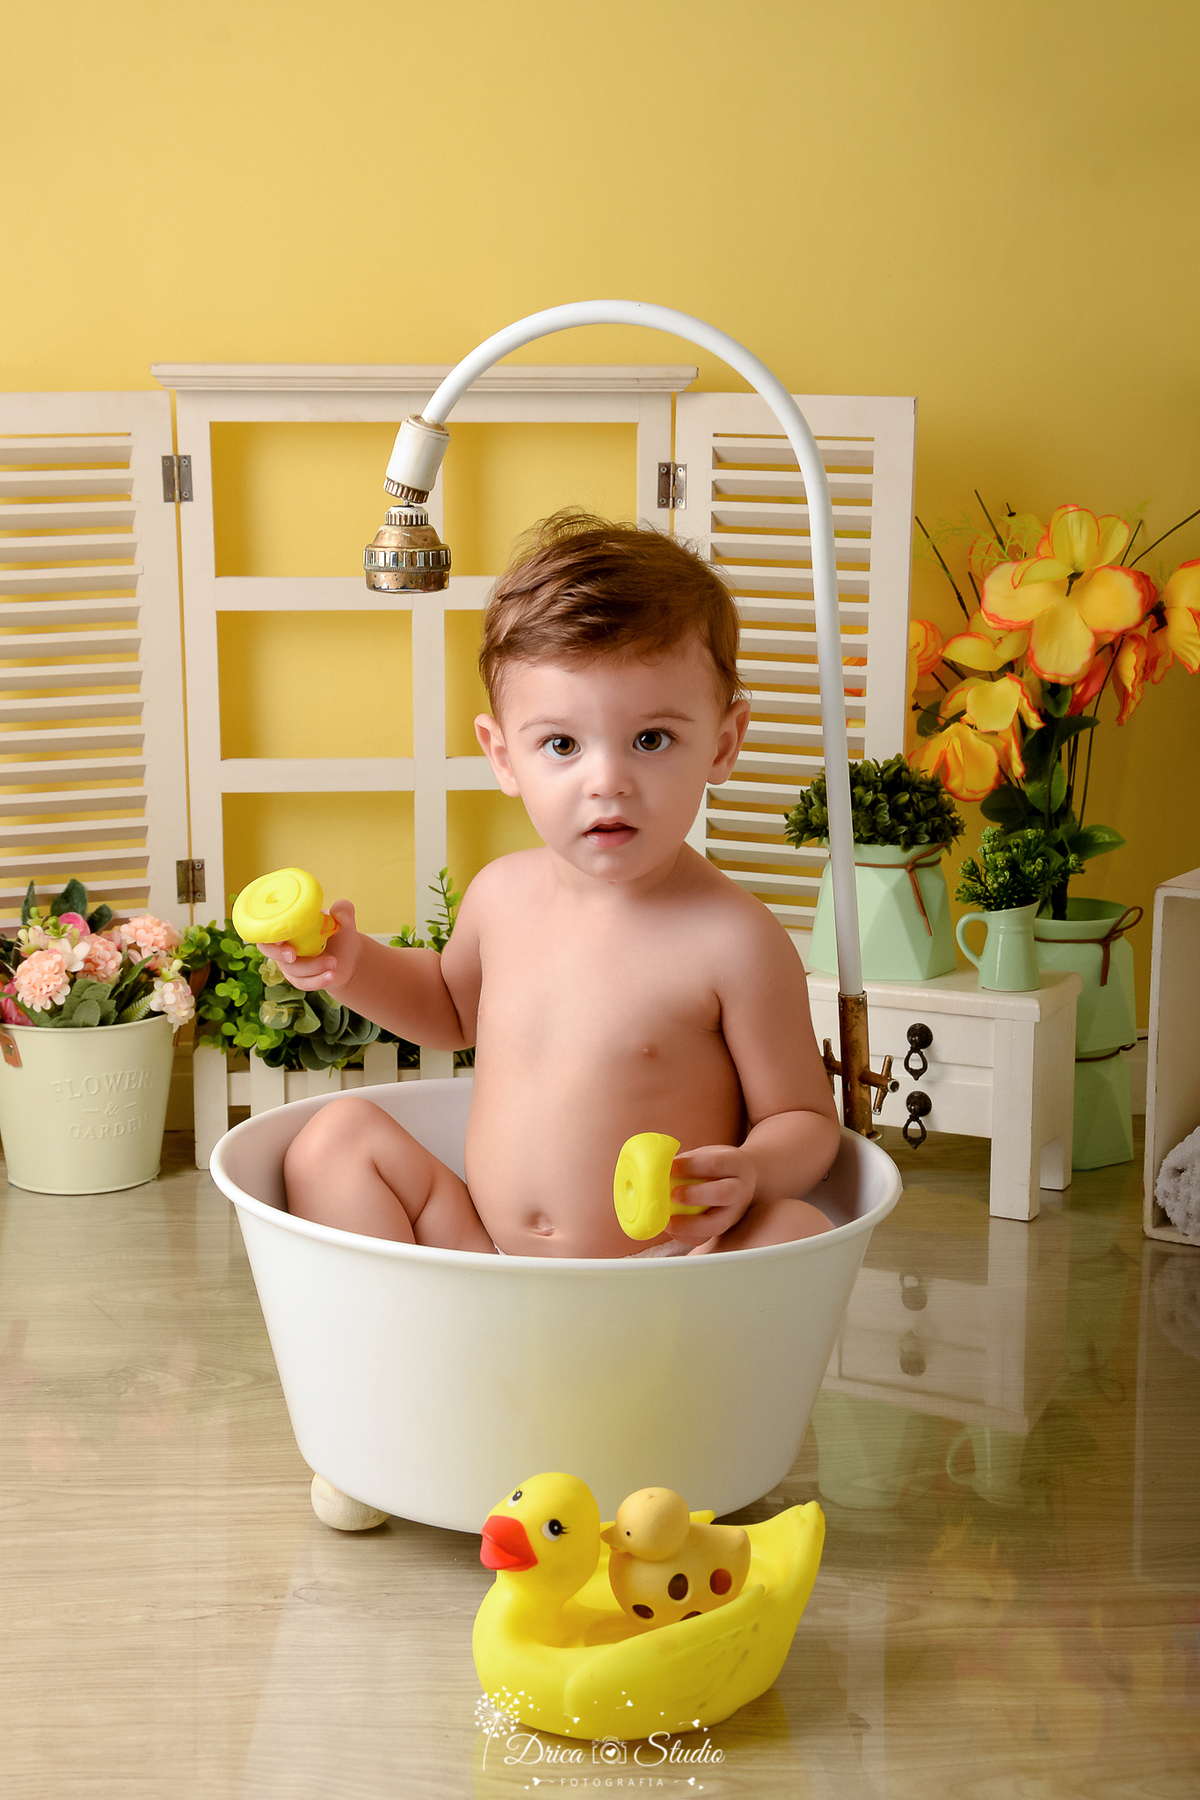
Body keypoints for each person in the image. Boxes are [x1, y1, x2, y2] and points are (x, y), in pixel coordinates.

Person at [265, 512, 841, 1256]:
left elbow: (806, 1121)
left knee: (793, 1227)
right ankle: (419, 1337)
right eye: (562, 744)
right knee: (332, 1140)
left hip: (661, 1274)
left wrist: (750, 1174)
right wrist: (352, 964)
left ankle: (655, 1361)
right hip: (488, 1261)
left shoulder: (733, 940)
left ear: (723, 744)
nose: (609, 783)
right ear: (504, 756)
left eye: (651, 740)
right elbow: (447, 1009)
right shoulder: (501, 895)